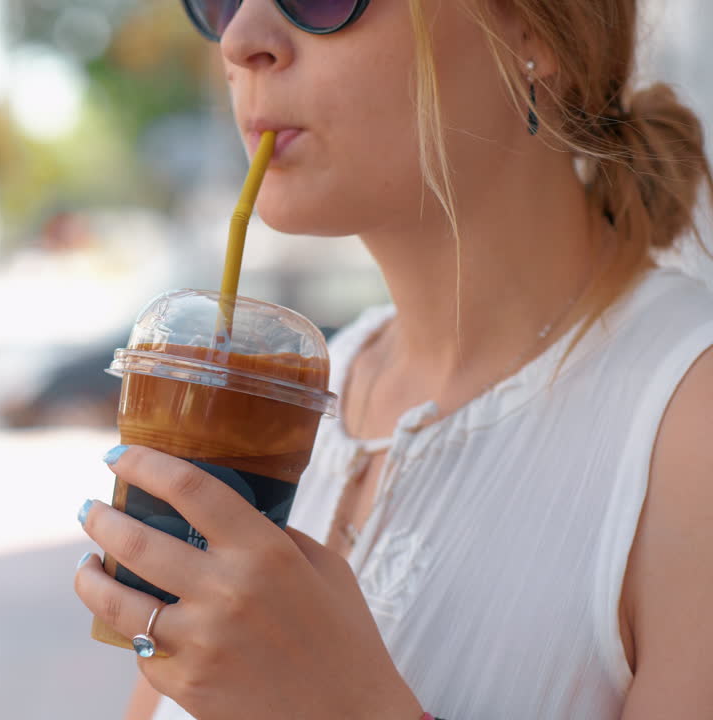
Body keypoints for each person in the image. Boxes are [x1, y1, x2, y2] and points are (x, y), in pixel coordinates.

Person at [72, 0, 713, 718]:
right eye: (222, 1)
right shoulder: (295, 391)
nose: (242, 39)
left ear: (533, 27)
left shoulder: (689, 432)